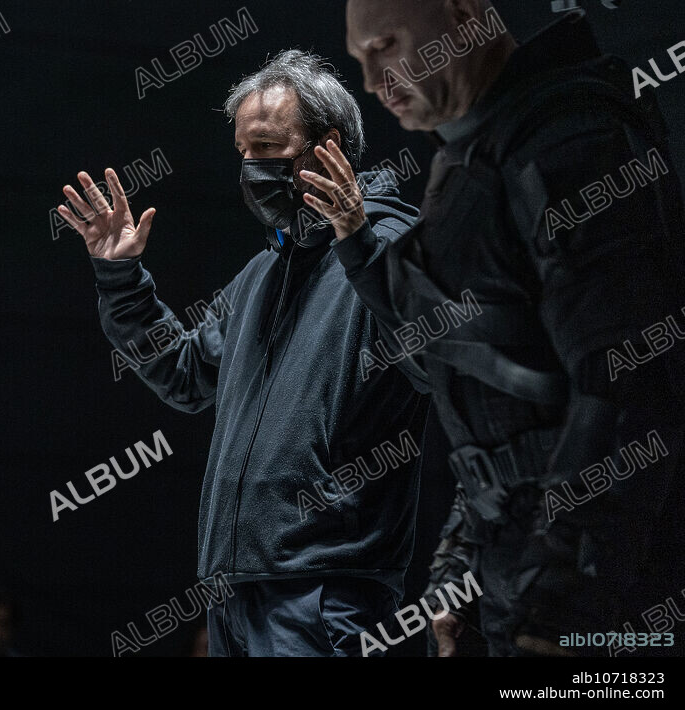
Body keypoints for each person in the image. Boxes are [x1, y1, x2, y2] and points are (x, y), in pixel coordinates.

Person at [303, 0, 685, 655]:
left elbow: (629, 384)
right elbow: (491, 404)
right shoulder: (476, 154)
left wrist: (559, 603)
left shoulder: (570, 137)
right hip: (520, 587)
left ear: (461, 11)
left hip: (606, 600)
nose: (371, 81)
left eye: (386, 44)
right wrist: (462, 573)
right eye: (360, 60)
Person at [57, 50, 425, 656]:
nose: (252, 167)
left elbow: (438, 358)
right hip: (234, 588)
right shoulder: (264, 272)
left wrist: (357, 240)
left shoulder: (390, 246)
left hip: (327, 588)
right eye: (243, 153)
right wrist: (120, 276)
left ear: (326, 145)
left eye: (268, 147)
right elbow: (184, 376)